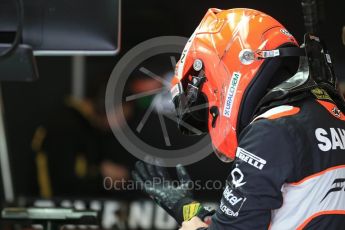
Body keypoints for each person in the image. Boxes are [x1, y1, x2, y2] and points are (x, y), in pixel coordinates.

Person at [132, 8, 345, 229]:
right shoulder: (328, 115)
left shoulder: (272, 130)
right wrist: (185, 208)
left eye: (206, 95)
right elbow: (247, 218)